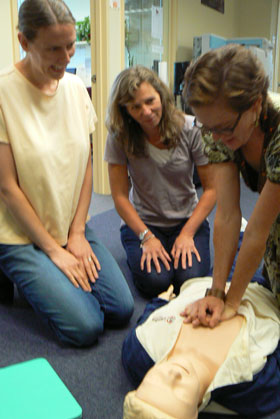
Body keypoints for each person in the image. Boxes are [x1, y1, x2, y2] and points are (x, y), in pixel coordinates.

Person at [0, 0, 133, 347]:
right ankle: (30, 275)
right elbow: (6, 188)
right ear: (24, 42)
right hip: (20, 234)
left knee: (121, 309)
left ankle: (49, 281)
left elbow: (86, 162)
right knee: (86, 326)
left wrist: (76, 233)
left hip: (67, 226)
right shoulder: (3, 93)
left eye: (71, 44)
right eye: (53, 48)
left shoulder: (75, 89)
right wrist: (53, 251)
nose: (66, 57)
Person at [122, 233, 280, 418]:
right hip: (262, 298)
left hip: (208, 289)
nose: (174, 374)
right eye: (177, 393)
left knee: (236, 245)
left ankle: (242, 234)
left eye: (156, 381)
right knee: (261, 244)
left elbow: (144, 324)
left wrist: (159, 302)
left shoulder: (138, 356)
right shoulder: (250, 392)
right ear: (195, 411)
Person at [180, 43, 280, 328]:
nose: (216, 137)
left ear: (256, 104)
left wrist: (233, 302)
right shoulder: (217, 128)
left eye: (224, 127)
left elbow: (257, 230)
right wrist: (217, 292)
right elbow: (226, 215)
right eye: (207, 127)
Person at [104, 66, 216, 297]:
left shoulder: (191, 129)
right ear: (124, 109)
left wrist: (187, 234)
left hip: (187, 219)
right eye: (135, 107)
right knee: (157, 282)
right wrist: (146, 237)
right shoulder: (119, 135)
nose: (146, 111)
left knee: (190, 280)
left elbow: (212, 190)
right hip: (145, 222)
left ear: (161, 96)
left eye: (150, 101)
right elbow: (120, 197)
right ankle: (135, 244)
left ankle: (175, 245)